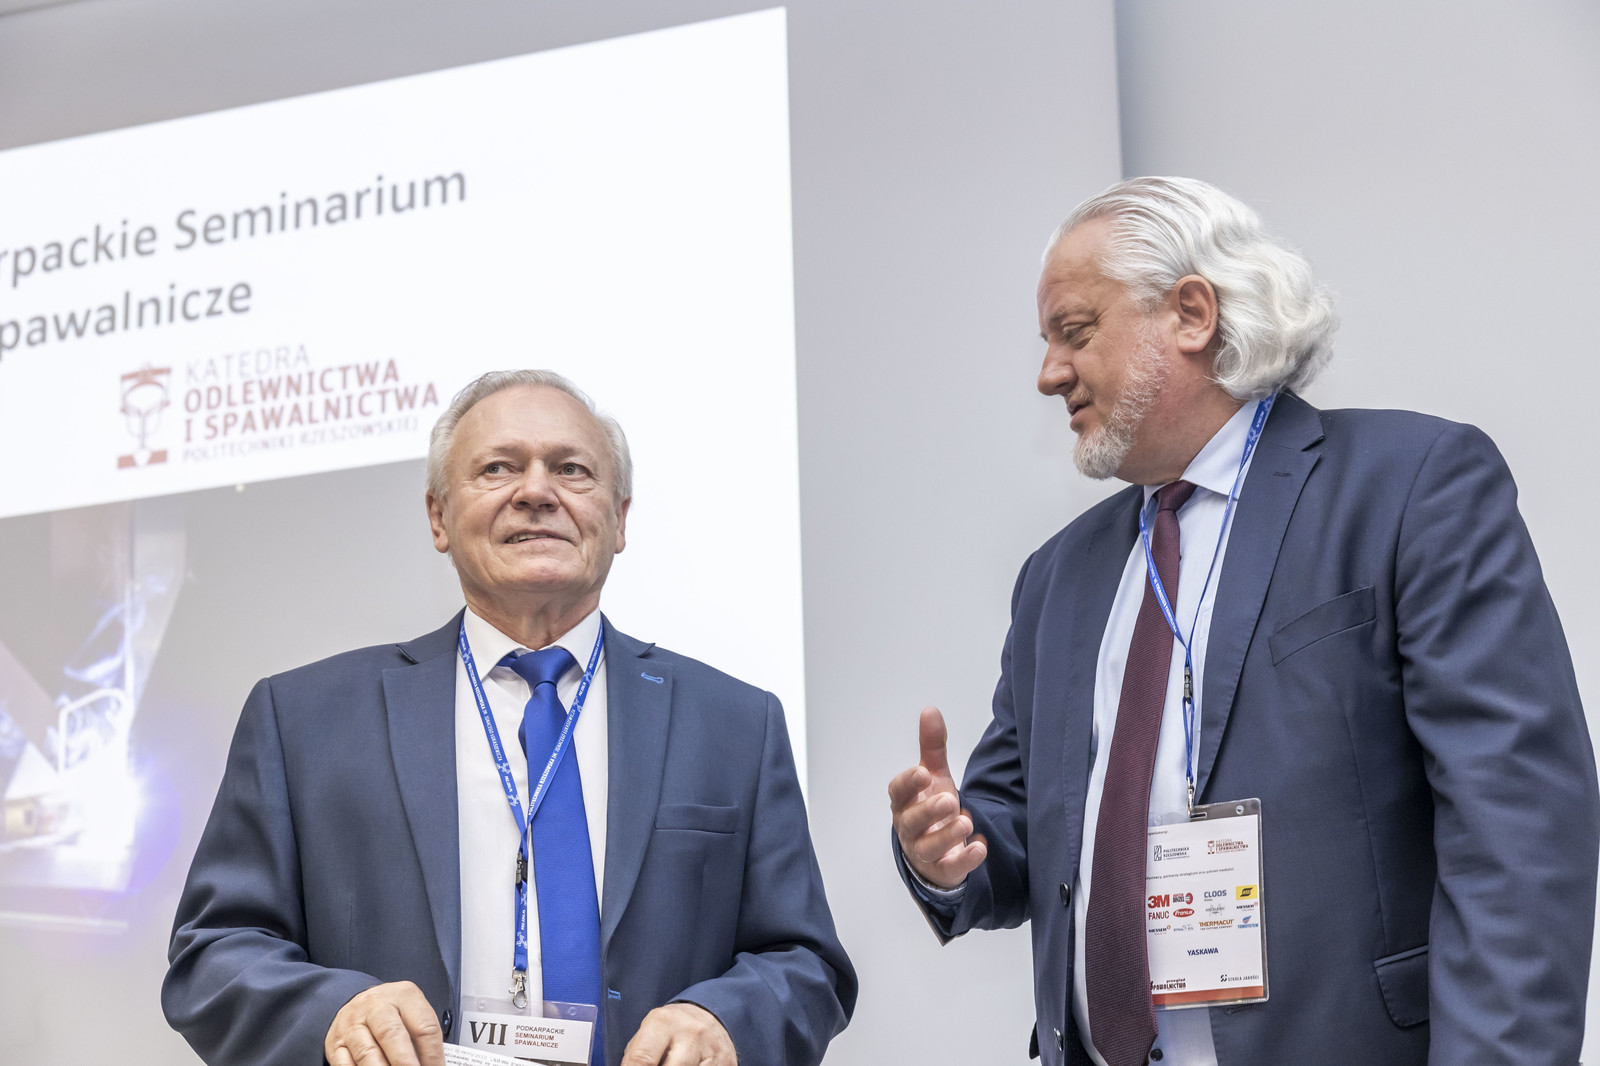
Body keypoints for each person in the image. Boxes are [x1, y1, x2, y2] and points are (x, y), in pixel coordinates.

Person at [888, 176, 1598, 1066]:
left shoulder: (1409, 487)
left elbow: (1518, 832)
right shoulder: (1056, 578)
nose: (1049, 374)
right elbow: (1017, 830)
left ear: (1191, 314)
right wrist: (947, 852)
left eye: (1075, 332)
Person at [165, 369, 855, 1066]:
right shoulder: (303, 719)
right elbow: (213, 954)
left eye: (571, 469)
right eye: (498, 468)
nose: (536, 492)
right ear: (438, 517)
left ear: (619, 519)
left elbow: (805, 963)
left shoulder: (737, 723)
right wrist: (333, 1014)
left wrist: (724, 1019)